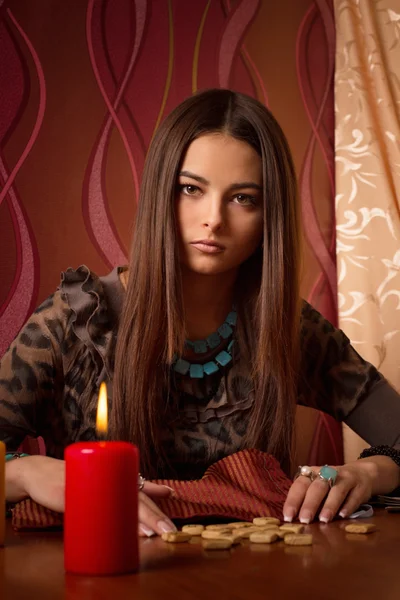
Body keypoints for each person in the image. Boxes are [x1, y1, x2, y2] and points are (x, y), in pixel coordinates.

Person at [1, 89, 399, 538]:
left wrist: (369, 473)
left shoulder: (286, 327)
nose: (213, 219)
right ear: (160, 194)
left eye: (243, 198)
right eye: (191, 190)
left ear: (270, 215)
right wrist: (23, 472)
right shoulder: (76, 321)